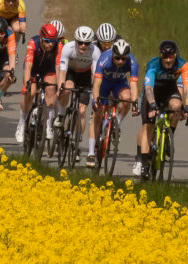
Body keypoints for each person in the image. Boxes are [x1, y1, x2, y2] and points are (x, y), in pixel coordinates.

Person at [138, 40, 188, 180]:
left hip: (169, 91)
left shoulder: (183, 64)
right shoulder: (153, 65)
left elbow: (187, 87)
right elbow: (148, 88)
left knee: (177, 107)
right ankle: (144, 163)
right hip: (153, 93)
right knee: (148, 126)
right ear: (160, 55)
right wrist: (152, 104)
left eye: (171, 56)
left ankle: (169, 136)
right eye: (165, 56)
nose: (168, 59)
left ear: (175, 55)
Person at [90, 38, 139, 167]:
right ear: (113, 55)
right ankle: (93, 149)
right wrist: (95, 100)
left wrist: (135, 103)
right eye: (117, 58)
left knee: (127, 99)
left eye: (123, 59)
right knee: (98, 113)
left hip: (119, 84)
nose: (120, 61)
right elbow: (96, 83)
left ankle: (116, 123)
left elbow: (133, 85)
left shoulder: (132, 62)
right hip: (104, 83)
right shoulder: (104, 59)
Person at [17, 23, 64, 146]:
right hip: (33, 68)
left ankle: (48, 125)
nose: (51, 44)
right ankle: (22, 122)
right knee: (30, 92)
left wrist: (59, 85)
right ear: (42, 38)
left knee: (51, 89)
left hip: (49, 69)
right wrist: (27, 83)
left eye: (53, 41)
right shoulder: (33, 42)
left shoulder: (58, 46)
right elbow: (28, 65)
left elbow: (58, 67)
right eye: (48, 41)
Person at [55, 25, 100, 154]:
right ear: (75, 41)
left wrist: (94, 94)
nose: (83, 46)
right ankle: (61, 114)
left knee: (82, 111)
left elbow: (96, 75)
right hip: (71, 72)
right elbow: (62, 71)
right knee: (67, 88)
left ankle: (76, 140)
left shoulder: (95, 51)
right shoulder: (68, 48)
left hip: (85, 75)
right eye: (80, 42)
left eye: (87, 43)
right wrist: (60, 87)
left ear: (91, 43)